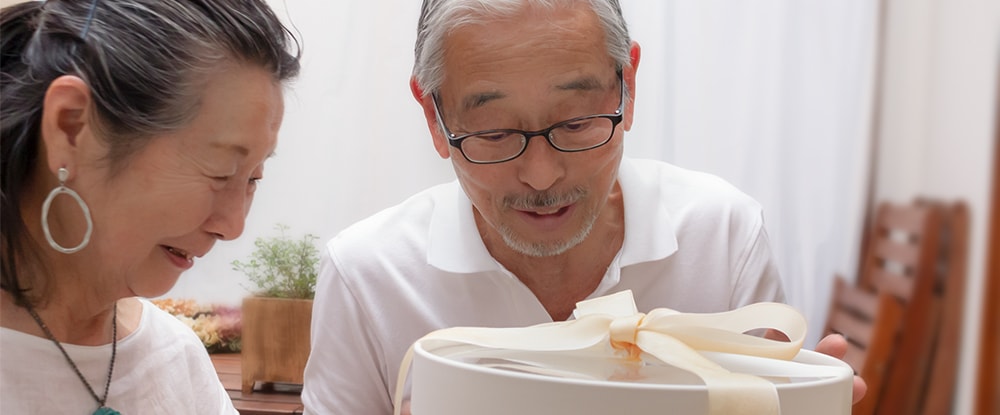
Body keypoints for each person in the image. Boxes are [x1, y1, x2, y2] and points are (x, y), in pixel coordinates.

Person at [302, 1, 864, 414]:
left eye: (576, 123)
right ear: (433, 117)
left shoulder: (721, 237)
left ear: (629, 86)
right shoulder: (367, 276)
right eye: (495, 132)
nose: (542, 175)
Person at [0, 0, 300, 413]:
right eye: (220, 171)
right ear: (71, 127)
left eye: (253, 180)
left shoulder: (174, 355)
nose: (233, 226)